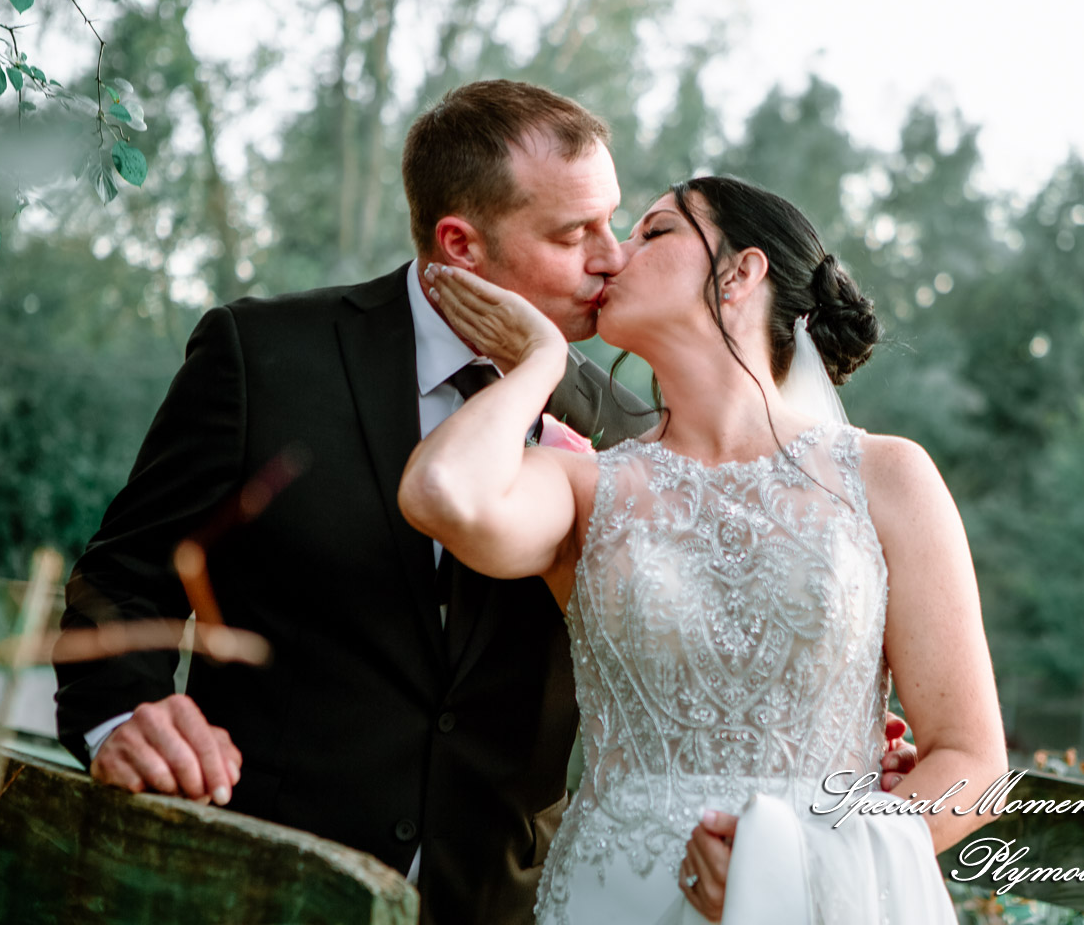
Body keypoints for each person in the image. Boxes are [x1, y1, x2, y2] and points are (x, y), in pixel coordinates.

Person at [53, 81, 917, 925]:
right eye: (575, 232)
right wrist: (121, 717)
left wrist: (830, 747)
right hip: (256, 878)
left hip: (512, 901)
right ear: (461, 245)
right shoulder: (267, 356)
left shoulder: (628, 433)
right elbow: (121, 581)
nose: (611, 255)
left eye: (616, 222)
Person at [399, 175, 1010, 923]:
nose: (613, 257)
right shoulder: (584, 489)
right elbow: (440, 493)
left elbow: (973, 769)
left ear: (741, 272)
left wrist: (795, 876)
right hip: (611, 900)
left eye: (653, 232)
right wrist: (537, 364)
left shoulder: (888, 477)